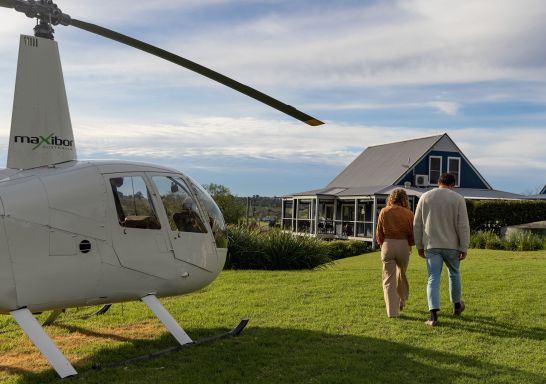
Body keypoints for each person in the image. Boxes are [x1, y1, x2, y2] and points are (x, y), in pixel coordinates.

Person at [413, 173, 470, 326]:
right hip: (452, 245)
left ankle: (433, 316)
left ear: (438, 182)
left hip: (432, 245)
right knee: (454, 274)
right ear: (453, 184)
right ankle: (457, 305)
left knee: (433, 278)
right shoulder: (458, 198)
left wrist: (419, 245)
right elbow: (463, 225)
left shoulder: (425, 197)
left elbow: (417, 224)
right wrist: (464, 246)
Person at [376, 188, 415, 318]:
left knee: (388, 279)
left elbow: (379, 233)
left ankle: (392, 312)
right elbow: (412, 234)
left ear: (391, 198)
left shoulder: (384, 211)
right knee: (401, 275)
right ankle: (402, 300)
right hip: (403, 245)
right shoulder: (409, 214)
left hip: (388, 244)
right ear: (404, 199)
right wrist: (410, 245)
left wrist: (382, 244)